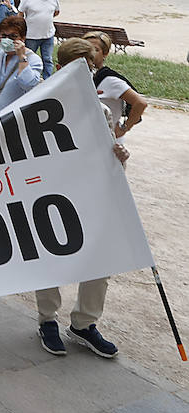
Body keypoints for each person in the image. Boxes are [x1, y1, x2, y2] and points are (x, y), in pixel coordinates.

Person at [31, 37, 130, 358]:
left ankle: (84, 323)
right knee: (50, 257)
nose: (86, 76)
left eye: (90, 70)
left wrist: (120, 157)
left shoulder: (101, 111)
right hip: (52, 192)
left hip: (91, 194)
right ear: (60, 69)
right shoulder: (39, 105)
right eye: (78, 70)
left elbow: (108, 158)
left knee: (100, 259)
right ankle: (47, 319)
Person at [84, 30, 148, 153]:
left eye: (95, 49)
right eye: (86, 49)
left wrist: (125, 127)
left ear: (105, 54)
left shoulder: (110, 79)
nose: (89, 54)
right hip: (89, 140)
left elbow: (140, 103)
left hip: (108, 144)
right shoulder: (85, 75)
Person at [18, 0, 60, 77]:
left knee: (48, 59)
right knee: (29, 58)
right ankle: (30, 77)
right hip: (31, 36)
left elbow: (56, 12)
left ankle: (47, 80)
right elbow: (20, 13)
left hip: (48, 35)